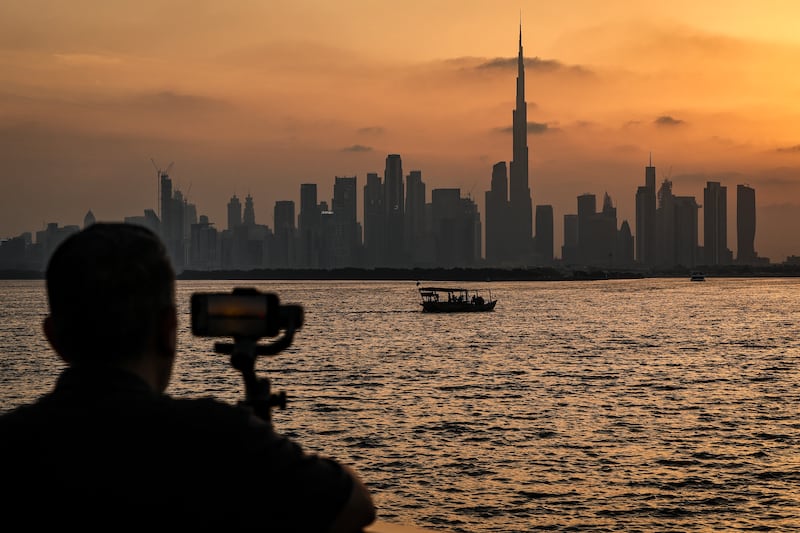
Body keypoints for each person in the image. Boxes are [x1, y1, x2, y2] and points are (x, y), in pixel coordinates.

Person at [0, 223, 376, 532]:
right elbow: (355, 507)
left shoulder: (11, 444)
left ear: (52, 337)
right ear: (168, 329)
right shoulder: (218, 437)